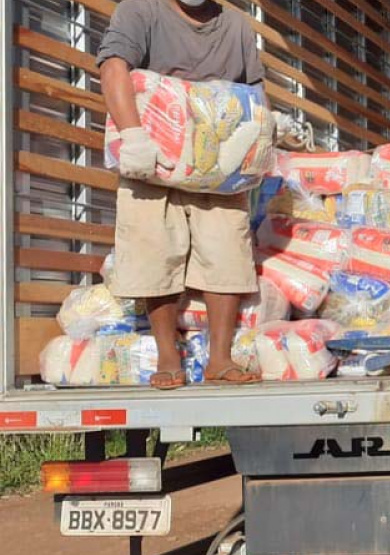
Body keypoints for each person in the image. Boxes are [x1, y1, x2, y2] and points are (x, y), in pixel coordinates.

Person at [98, 0, 290, 389]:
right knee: (155, 249)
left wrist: (265, 136)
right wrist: (132, 135)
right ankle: (168, 356)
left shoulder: (236, 26)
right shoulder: (139, 11)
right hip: (153, 157)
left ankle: (220, 358)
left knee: (226, 251)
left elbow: (253, 91)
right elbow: (113, 66)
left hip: (217, 165)